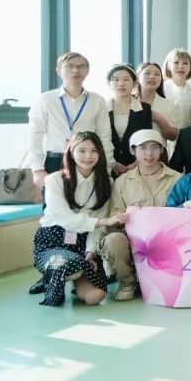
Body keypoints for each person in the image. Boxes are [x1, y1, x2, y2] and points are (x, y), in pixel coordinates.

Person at [32, 131, 124, 306]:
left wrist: (91, 250)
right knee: (65, 263)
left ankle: (74, 275)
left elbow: (98, 220)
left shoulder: (106, 182)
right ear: (71, 152)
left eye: (94, 151)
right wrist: (104, 221)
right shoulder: (54, 180)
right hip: (54, 238)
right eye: (82, 150)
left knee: (96, 296)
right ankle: (54, 276)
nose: (88, 156)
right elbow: (63, 217)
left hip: (83, 241)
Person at [107, 129, 181, 300]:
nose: (149, 153)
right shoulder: (122, 182)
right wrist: (129, 215)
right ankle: (127, 282)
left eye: (155, 147)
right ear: (132, 150)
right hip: (134, 239)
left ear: (162, 150)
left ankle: (159, 279)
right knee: (113, 240)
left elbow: (183, 214)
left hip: (166, 239)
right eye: (143, 148)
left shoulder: (177, 179)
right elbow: (114, 216)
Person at [28, 52, 115, 189]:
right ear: (59, 70)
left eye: (81, 66)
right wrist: (37, 169)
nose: (76, 70)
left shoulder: (97, 100)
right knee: (54, 202)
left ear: (87, 71)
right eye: (70, 66)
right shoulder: (45, 99)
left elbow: (104, 136)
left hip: (88, 161)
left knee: (89, 201)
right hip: (55, 161)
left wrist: (107, 167)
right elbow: (35, 135)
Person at [107, 64, 154, 177]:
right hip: (107, 168)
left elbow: (147, 138)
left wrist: (137, 162)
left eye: (126, 79)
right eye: (116, 79)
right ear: (109, 83)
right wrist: (112, 163)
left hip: (137, 167)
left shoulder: (145, 109)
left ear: (134, 83)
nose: (121, 83)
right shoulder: (102, 108)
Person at [135, 61, 179, 142]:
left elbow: (173, 136)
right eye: (147, 73)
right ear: (137, 78)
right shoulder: (129, 102)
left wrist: (159, 119)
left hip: (159, 148)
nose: (152, 77)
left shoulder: (168, 104)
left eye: (157, 74)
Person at [162, 47, 191, 132]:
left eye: (185, 63)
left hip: (188, 136)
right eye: (176, 62)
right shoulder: (161, 89)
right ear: (168, 66)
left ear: (190, 67)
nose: (181, 66)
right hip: (165, 135)